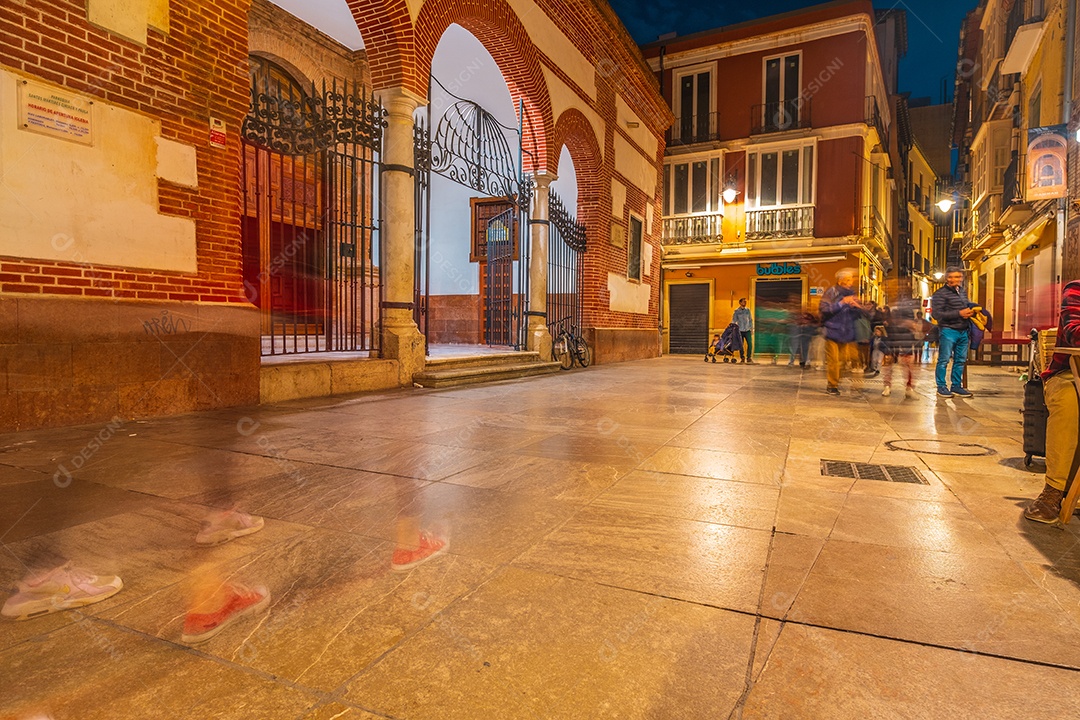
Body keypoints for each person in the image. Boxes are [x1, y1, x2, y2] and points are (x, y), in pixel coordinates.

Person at [1024, 280, 1080, 524]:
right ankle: (1054, 490)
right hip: (1070, 373)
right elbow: (1074, 333)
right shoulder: (1076, 290)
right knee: (1069, 405)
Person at [820, 268, 868, 395]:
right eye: (848, 280)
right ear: (840, 281)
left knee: (842, 361)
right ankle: (832, 385)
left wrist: (857, 307)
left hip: (846, 333)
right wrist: (841, 303)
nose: (850, 282)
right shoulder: (831, 292)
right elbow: (824, 309)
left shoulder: (852, 294)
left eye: (851, 280)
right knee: (833, 360)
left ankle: (835, 381)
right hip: (832, 331)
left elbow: (858, 315)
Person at [930, 267, 976, 398]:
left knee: (960, 360)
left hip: (963, 330)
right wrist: (959, 313)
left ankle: (956, 386)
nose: (953, 280)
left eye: (957, 277)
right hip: (948, 330)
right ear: (946, 278)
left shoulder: (962, 292)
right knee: (944, 360)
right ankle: (941, 386)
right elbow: (936, 314)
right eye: (950, 277)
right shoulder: (940, 294)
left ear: (961, 278)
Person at [882, 298, 918, 398]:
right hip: (894, 343)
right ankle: (888, 386)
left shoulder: (902, 316)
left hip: (904, 343)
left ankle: (908, 388)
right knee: (889, 365)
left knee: (907, 366)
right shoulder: (894, 319)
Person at [732, 298, 754, 363]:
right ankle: (742, 357)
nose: (745, 303)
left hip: (747, 330)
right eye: (744, 302)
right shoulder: (737, 311)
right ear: (740, 303)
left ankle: (749, 357)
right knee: (741, 345)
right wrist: (733, 328)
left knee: (750, 344)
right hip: (740, 330)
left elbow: (750, 320)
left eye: (745, 302)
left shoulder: (748, 310)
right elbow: (734, 320)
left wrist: (752, 328)